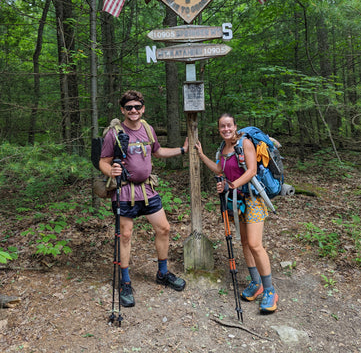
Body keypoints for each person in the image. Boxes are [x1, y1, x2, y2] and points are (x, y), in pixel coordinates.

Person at [99, 89, 188, 307]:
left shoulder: (147, 129)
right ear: (123, 110)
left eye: (137, 107)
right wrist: (109, 171)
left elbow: (157, 152)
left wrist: (182, 150)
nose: (133, 110)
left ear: (143, 108)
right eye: (129, 107)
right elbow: (103, 160)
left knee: (163, 228)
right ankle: (125, 281)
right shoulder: (114, 132)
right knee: (126, 235)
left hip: (147, 190)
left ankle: (163, 273)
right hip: (124, 191)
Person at [195, 113, 278, 314]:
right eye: (222, 126)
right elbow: (219, 169)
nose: (226, 129)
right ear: (219, 129)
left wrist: (230, 185)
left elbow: (250, 171)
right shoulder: (222, 149)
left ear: (235, 126)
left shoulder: (244, 143)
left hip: (253, 200)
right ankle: (256, 283)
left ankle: (270, 290)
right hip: (237, 201)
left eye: (229, 125)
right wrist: (201, 155)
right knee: (245, 244)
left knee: (255, 244)